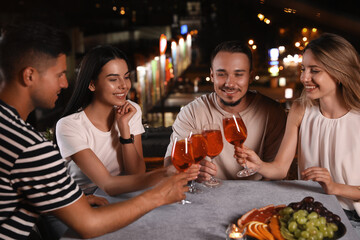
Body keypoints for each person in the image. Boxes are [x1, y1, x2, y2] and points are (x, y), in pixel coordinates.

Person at [0, 21, 196, 240]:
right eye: (59, 74)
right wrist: (158, 194)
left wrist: (72, 198)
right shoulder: (31, 147)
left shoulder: (9, 130)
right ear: (29, 76)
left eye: (126, 76)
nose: (65, 83)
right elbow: (89, 224)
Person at [235, 33, 360, 235]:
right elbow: (280, 169)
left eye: (314, 71)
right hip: (311, 212)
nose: (304, 78)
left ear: (338, 73)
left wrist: (334, 187)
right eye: (303, 69)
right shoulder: (300, 109)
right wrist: (258, 165)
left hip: (354, 219)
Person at [164, 40, 287, 181]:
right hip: (207, 196)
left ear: (251, 76)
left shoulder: (272, 112)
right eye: (222, 74)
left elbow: (276, 172)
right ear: (212, 76)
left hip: (257, 198)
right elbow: (169, 165)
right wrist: (192, 171)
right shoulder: (191, 112)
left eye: (239, 74)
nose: (229, 83)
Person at [56, 45, 147, 196]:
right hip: (82, 202)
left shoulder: (131, 111)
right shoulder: (69, 125)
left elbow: (136, 173)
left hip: (120, 194)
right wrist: (164, 175)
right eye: (113, 79)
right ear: (92, 84)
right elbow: (108, 185)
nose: (124, 86)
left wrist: (124, 129)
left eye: (126, 77)